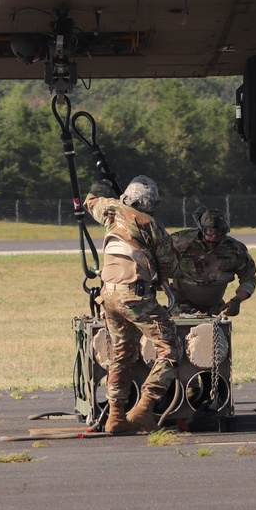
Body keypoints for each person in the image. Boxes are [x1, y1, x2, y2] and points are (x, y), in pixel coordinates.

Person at [84, 175, 181, 435]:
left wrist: (100, 182)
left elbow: (91, 201)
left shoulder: (111, 210)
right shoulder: (150, 224)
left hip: (109, 297)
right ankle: (143, 409)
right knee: (170, 349)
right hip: (134, 296)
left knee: (122, 354)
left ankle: (115, 416)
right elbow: (170, 266)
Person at [170, 205, 256, 316]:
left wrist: (237, 300)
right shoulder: (180, 242)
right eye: (210, 231)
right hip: (181, 306)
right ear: (202, 229)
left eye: (219, 232)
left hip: (215, 308)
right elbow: (157, 260)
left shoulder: (236, 250)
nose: (214, 236)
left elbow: (249, 278)